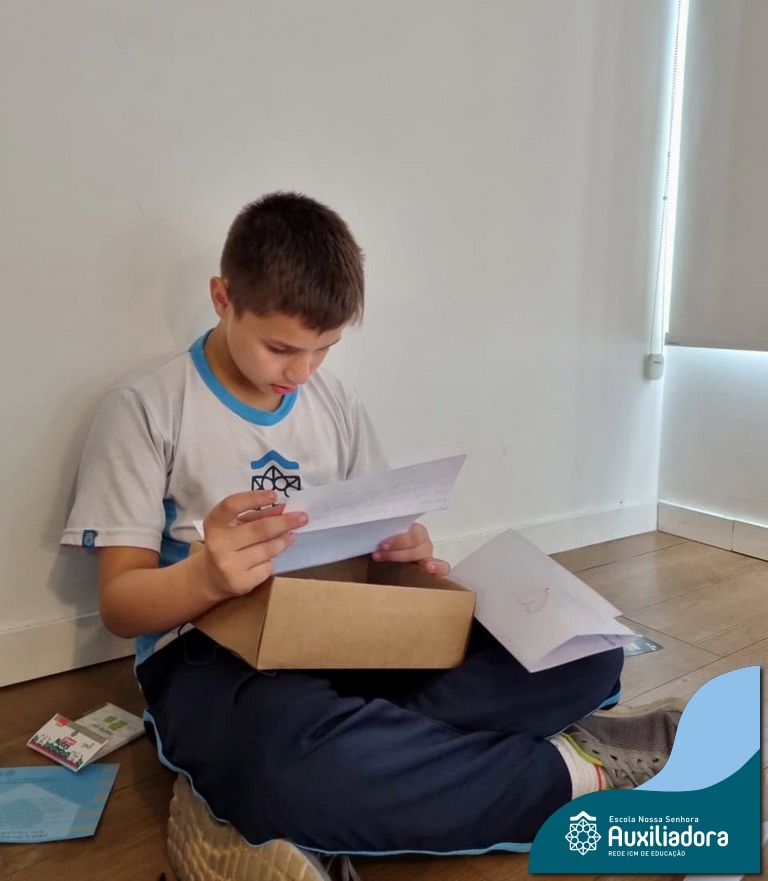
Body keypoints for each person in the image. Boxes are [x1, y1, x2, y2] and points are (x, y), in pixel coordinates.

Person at [61, 192, 681, 881]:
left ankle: (341, 774)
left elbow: (371, 539)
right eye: (281, 348)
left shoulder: (335, 403)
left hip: (345, 635)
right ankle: (576, 770)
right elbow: (121, 605)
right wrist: (205, 576)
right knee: (282, 759)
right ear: (223, 298)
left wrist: (401, 554)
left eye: (324, 349)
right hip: (212, 656)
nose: (301, 373)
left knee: (583, 654)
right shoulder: (146, 409)